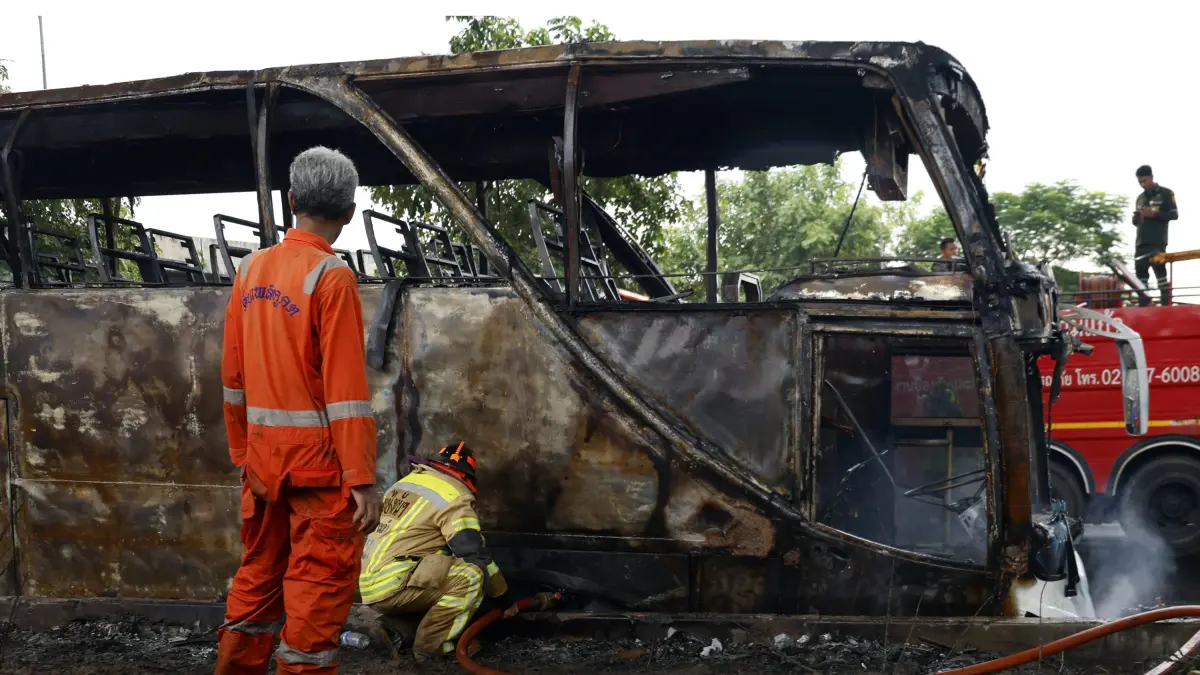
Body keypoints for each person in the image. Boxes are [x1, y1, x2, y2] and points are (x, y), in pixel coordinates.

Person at [216, 146, 382, 675]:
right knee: (315, 593)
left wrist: (243, 452)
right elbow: (346, 393)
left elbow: (233, 377)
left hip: (262, 464)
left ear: (291, 201)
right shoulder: (332, 277)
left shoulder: (250, 270)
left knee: (258, 581)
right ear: (350, 213)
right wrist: (361, 479)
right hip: (318, 471)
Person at [359, 442, 550, 662]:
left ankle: (396, 628)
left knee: (440, 569)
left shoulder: (406, 483)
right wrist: (505, 599)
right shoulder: (454, 494)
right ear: (466, 475)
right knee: (470, 576)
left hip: (369, 583)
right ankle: (431, 649)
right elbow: (474, 555)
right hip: (396, 583)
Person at [1132, 165, 1179, 307]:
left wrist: (1154, 214)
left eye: (1145, 181)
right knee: (1141, 279)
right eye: (1140, 182)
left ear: (1151, 177)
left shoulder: (1166, 193)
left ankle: (1165, 306)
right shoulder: (1140, 198)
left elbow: (1174, 215)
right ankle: (1143, 307)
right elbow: (1135, 222)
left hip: (1157, 241)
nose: (1143, 184)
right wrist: (1136, 219)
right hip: (1141, 242)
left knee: (1161, 275)